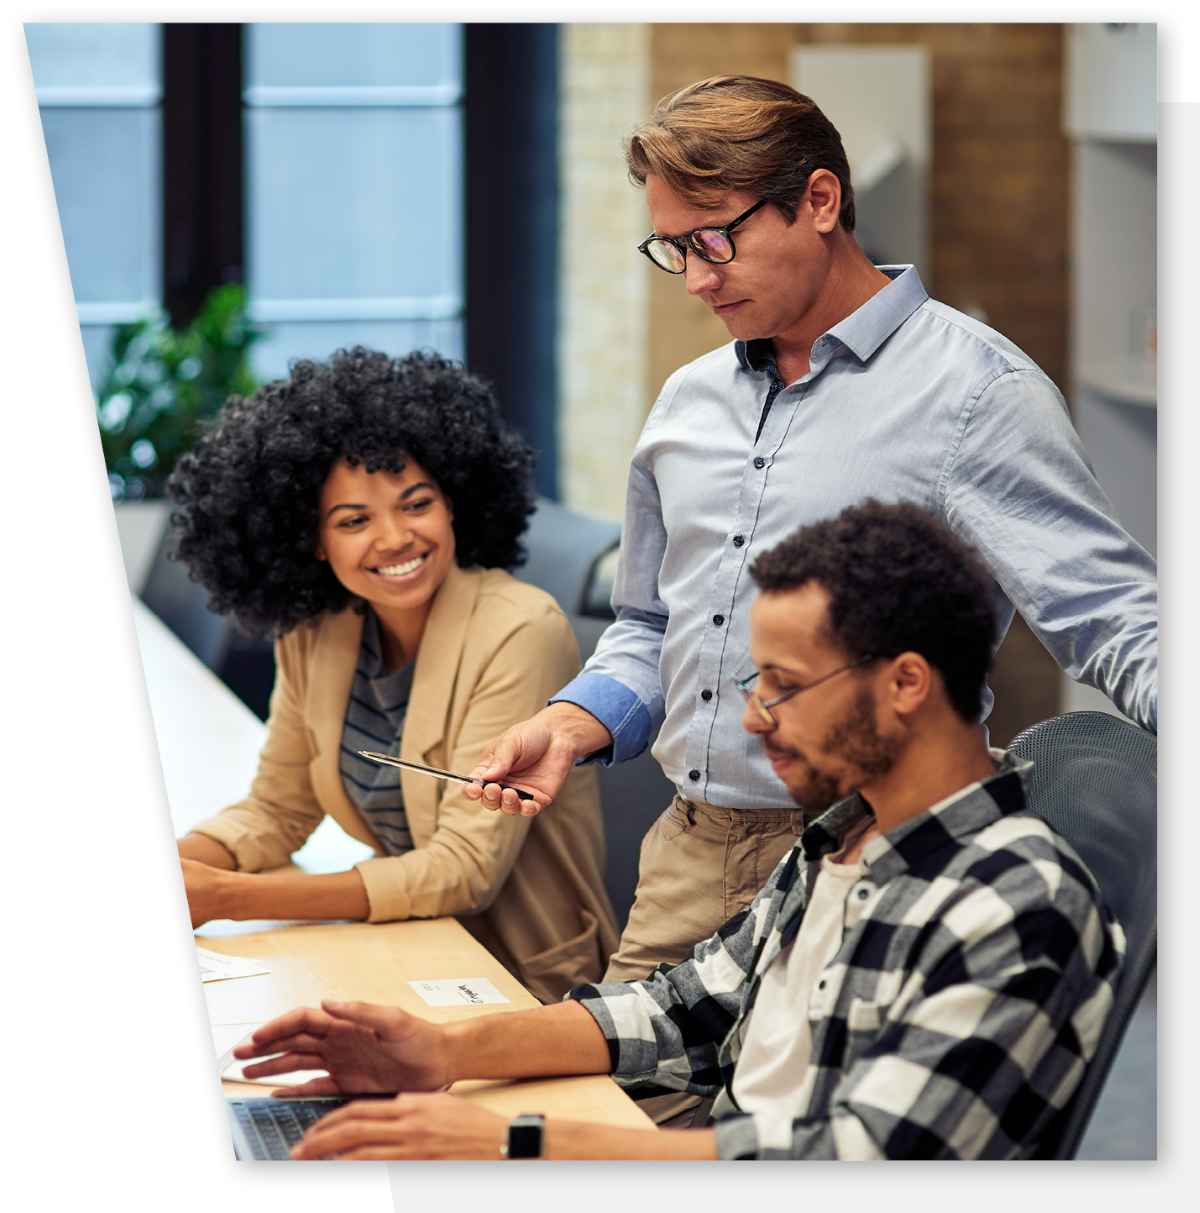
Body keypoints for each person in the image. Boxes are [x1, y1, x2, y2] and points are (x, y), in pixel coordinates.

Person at [460, 74, 1158, 985]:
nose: (698, 280)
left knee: (830, 1129)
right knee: (614, 1121)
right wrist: (570, 723)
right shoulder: (687, 403)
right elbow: (650, 625)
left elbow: (1115, 615)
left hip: (883, 855)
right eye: (673, 250)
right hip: (690, 853)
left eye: (716, 240)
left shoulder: (979, 394)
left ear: (819, 200)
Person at [234, 502, 1124, 1161]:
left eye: (782, 684)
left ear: (904, 682)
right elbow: (684, 1007)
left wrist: (516, 1139)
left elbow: (844, 1163)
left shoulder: (1014, 906)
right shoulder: (844, 835)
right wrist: (441, 1050)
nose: (757, 718)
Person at [171, 348, 618, 1002]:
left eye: (416, 504)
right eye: (354, 520)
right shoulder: (318, 628)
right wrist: (191, 864)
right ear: (314, 539)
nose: (394, 538)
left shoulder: (521, 629)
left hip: (523, 981)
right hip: (402, 949)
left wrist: (231, 897)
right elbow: (278, 806)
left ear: (454, 503)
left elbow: (464, 869)